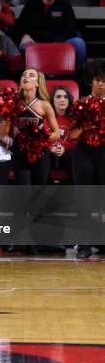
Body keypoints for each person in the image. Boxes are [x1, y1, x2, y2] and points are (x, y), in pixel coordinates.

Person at [69, 59, 105, 258]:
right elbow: (72, 135)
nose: (101, 84)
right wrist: (86, 124)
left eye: (104, 81)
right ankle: (83, 245)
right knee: (84, 199)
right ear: (90, 81)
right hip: (84, 152)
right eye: (98, 80)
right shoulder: (81, 104)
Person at [0, 67, 60, 184]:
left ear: (38, 83)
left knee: (39, 191)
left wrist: (41, 138)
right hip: (20, 151)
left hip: (40, 152)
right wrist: (9, 131)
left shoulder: (45, 105)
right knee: (24, 191)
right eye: (24, 75)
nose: (26, 77)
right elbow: (3, 133)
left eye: (31, 75)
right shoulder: (13, 103)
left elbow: (56, 133)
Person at [16, 0, 87, 69]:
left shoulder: (65, 6)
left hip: (61, 43)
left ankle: (79, 79)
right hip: (36, 43)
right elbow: (21, 25)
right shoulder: (30, 5)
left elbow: (70, 29)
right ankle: (30, 78)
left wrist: (55, 42)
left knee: (79, 43)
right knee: (25, 45)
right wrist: (25, 35)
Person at [49, 85, 75, 180]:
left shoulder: (74, 119)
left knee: (73, 156)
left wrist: (63, 148)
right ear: (52, 100)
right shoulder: (45, 118)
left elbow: (75, 142)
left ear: (69, 101)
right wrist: (51, 148)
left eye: (65, 97)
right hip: (49, 155)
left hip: (67, 155)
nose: (62, 99)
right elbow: (41, 140)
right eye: (58, 97)